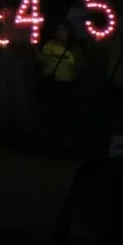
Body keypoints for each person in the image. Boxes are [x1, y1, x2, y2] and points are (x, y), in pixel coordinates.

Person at [37, 20, 82, 153]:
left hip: (67, 85)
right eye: (58, 29)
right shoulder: (51, 44)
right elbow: (40, 58)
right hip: (52, 84)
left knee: (66, 118)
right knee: (51, 116)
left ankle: (66, 148)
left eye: (63, 29)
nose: (60, 32)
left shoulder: (76, 48)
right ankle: (51, 147)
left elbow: (80, 66)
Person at [0, 8, 36, 145]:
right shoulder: (3, 24)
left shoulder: (23, 24)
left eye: (8, 10)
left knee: (21, 99)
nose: (6, 13)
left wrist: (17, 44)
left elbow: (30, 44)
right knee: (6, 99)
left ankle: (23, 136)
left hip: (19, 68)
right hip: (5, 67)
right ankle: (7, 134)